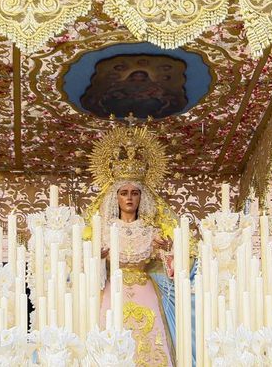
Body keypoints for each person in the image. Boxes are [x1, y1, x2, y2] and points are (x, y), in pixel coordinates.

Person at [88, 126, 177, 366]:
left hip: (144, 289)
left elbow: (172, 272)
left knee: (149, 341)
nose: (129, 198)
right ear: (115, 197)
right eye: (124, 193)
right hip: (111, 290)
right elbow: (86, 272)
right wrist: (96, 259)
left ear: (142, 196)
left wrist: (169, 252)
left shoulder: (151, 231)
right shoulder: (103, 230)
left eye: (135, 193)